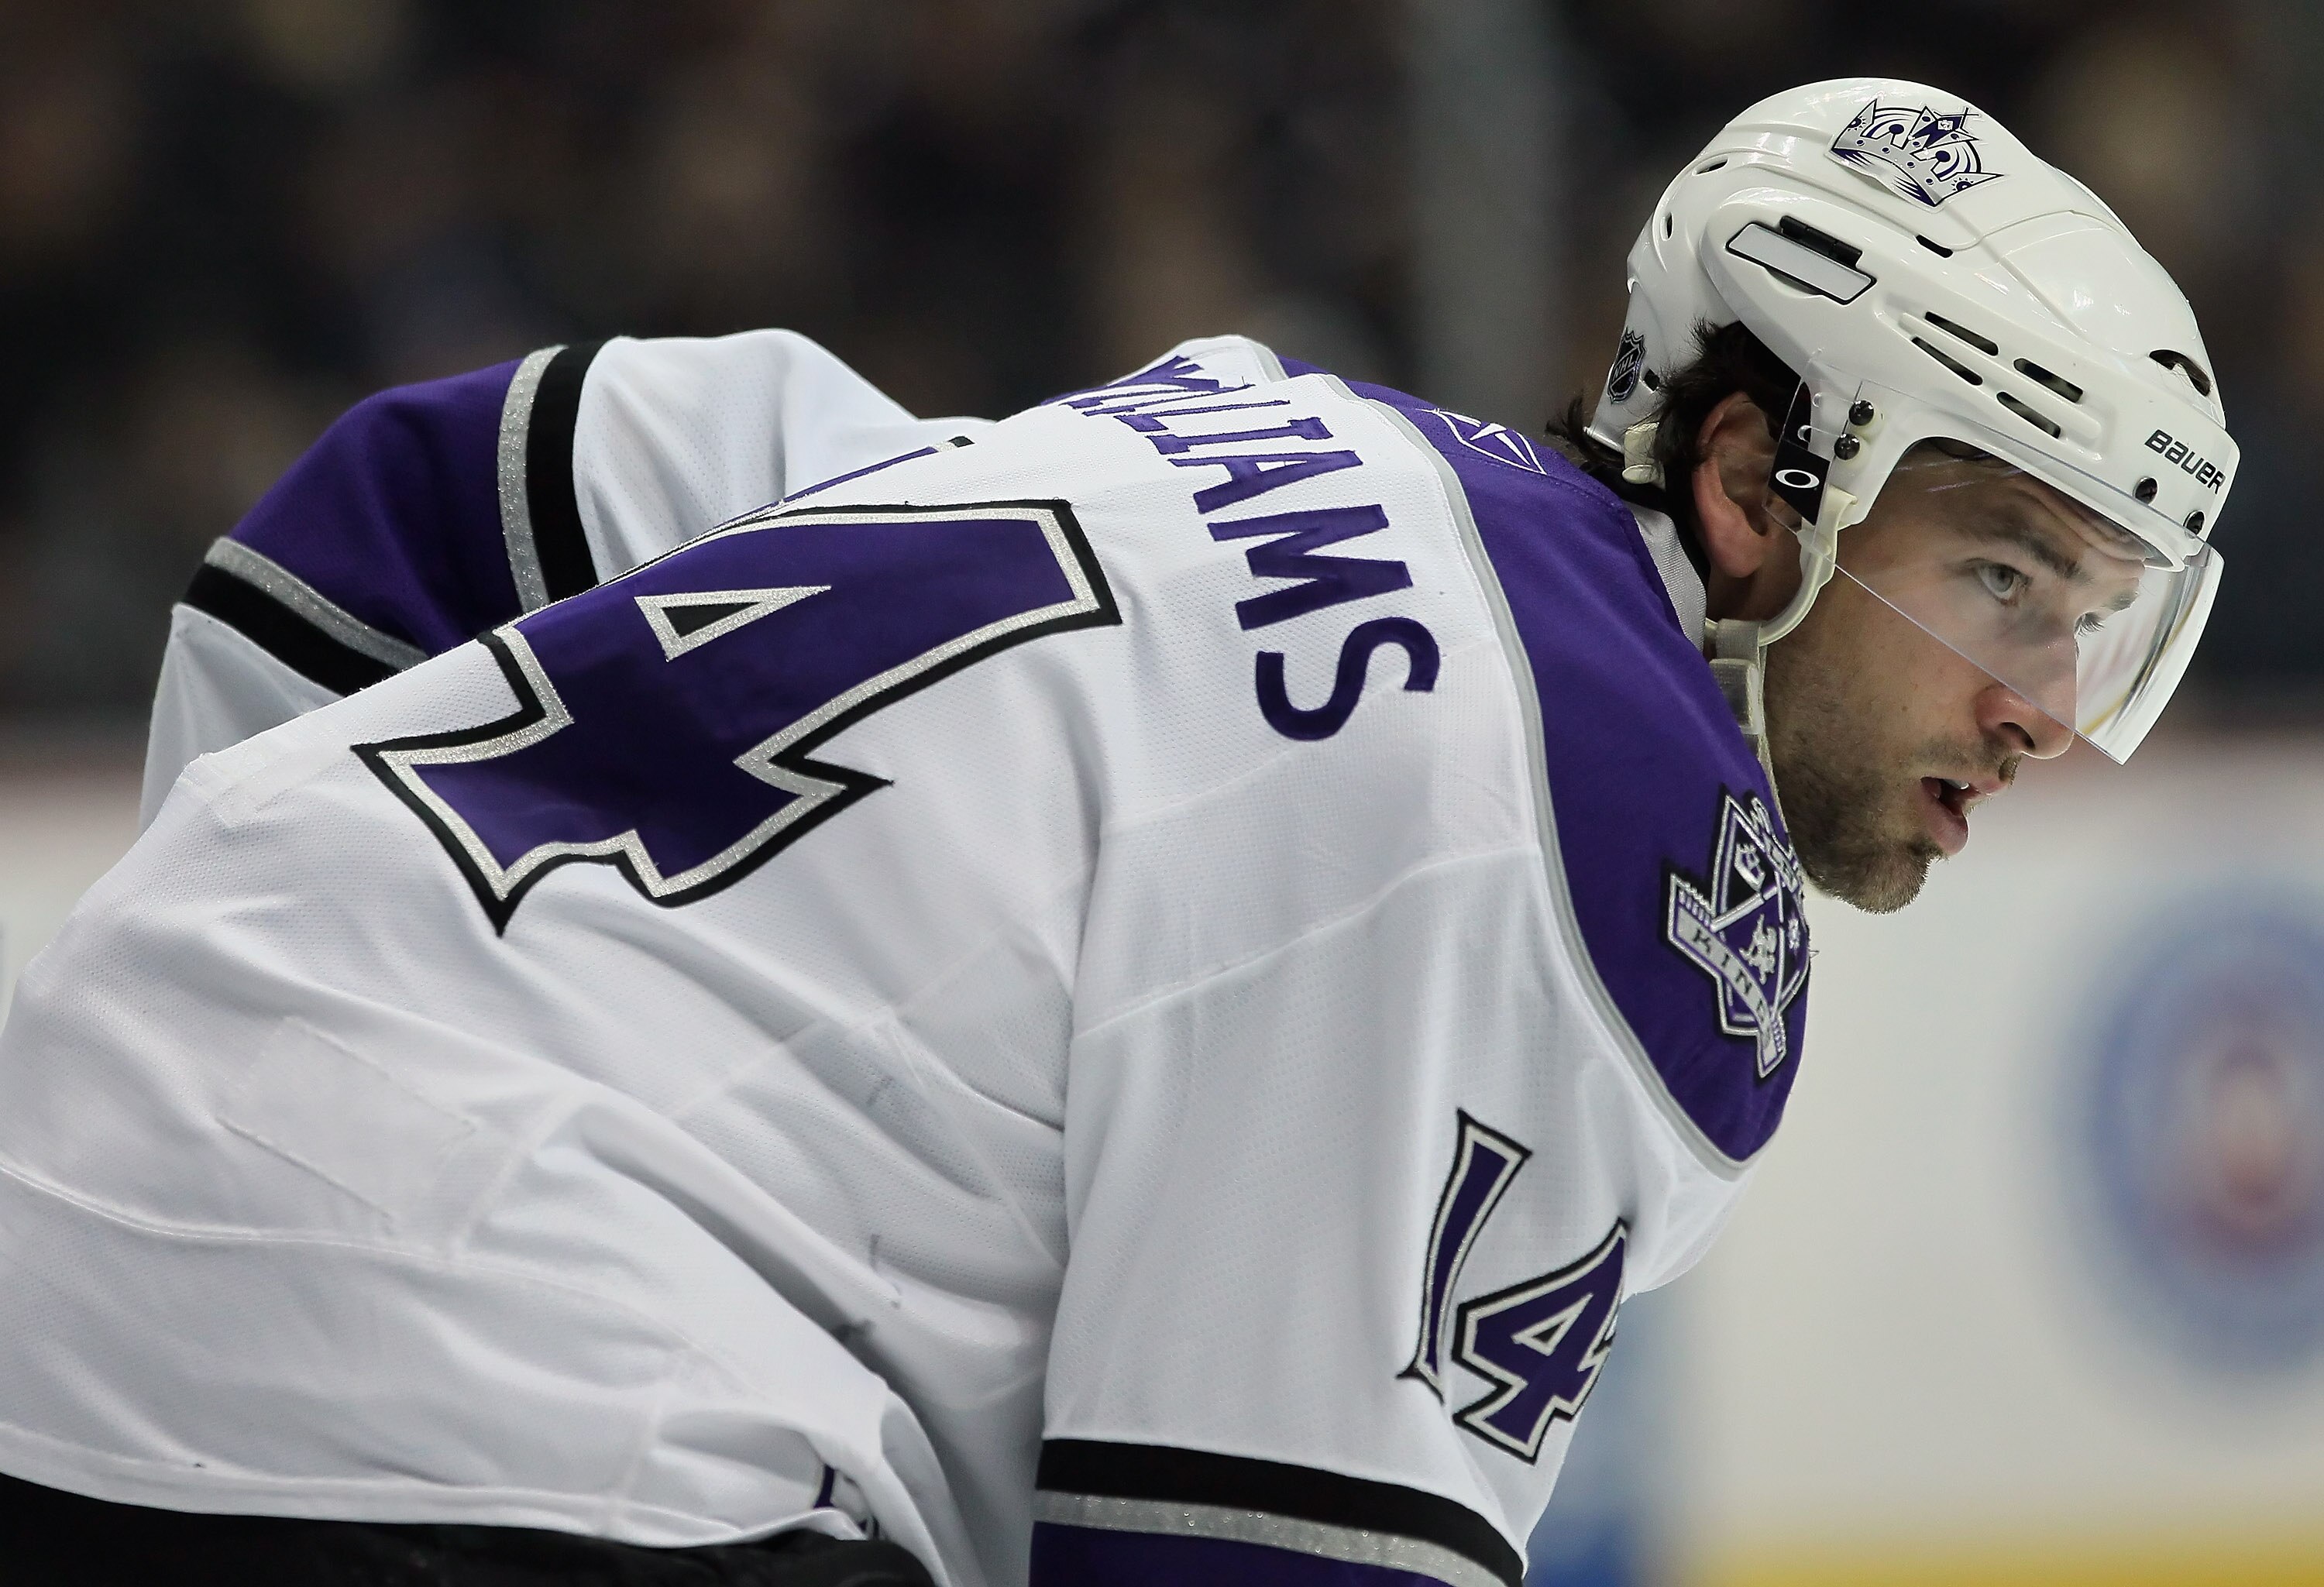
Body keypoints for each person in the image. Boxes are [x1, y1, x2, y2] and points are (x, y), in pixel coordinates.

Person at [0, 77, 2233, 1587]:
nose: (2044, 707)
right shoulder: (1626, 839)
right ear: (1758, 488)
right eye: (2001, 579)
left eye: (2096, 625)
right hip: (517, 1429)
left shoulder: (1194, 431)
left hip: (57, 1258)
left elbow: (431, 490)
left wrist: (254, 1019)